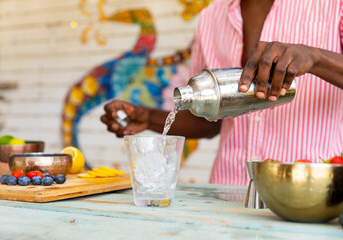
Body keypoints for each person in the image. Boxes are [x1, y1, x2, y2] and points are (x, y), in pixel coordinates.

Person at [101, 0, 343, 185]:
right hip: (227, 192)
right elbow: (209, 119)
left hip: (314, 193)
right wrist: (147, 117)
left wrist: (316, 58)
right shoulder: (212, 16)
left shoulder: (331, 5)